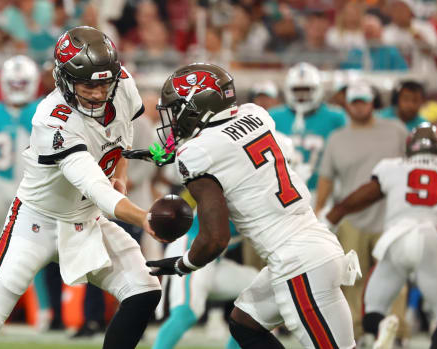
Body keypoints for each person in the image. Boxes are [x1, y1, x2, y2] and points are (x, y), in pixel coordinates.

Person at [0, 26, 161, 349]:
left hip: (85, 220)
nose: (97, 92)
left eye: (104, 82)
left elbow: (122, 134)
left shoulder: (121, 86)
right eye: (87, 84)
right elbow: (96, 188)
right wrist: (146, 218)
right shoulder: (52, 119)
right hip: (35, 224)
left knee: (144, 290)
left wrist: (120, 169)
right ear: (63, 78)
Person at [146, 63, 359, 349]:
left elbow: (215, 237)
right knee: (244, 324)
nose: (173, 117)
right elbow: (218, 141)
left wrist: (183, 264)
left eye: (177, 108)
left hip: (297, 263)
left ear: (196, 106)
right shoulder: (255, 114)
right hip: (312, 244)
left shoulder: (197, 153)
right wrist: (161, 152)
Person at [324, 123, 437, 349]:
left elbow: (362, 197)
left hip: (395, 238)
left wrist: (332, 216)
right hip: (432, 239)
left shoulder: (393, 166)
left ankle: (381, 329)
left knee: (372, 309)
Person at [315, 82, 409, 340]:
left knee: (395, 278)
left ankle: (395, 332)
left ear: (372, 102)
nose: (359, 106)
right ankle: (357, 332)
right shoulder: (337, 138)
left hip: (392, 216)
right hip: (351, 218)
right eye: (354, 102)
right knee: (350, 278)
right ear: (348, 104)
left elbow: (410, 168)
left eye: (363, 101)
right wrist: (320, 208)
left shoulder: (396, 130)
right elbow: (326, 177)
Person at [0, 55, 53, 331]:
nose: (18, 86)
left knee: (37, 249)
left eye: (23, 82)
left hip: (33, 185)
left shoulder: (43, 107)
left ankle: (43, 311)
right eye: (14, 82)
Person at [153, 215, 258, 349]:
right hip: (192, 249)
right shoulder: (237, 199)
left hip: (213, 260)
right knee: (187, 312)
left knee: (259, 288)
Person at [270, 62, 347, 199]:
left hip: (323, 192)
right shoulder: (273, 117)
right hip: (283, 193)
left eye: (307, 91)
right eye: (297, 91)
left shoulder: (336, 117)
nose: (302, 96)